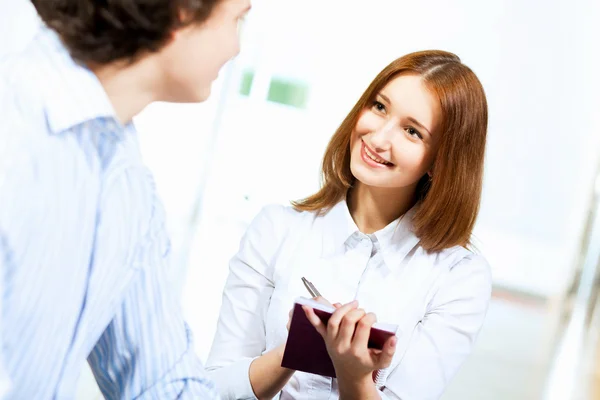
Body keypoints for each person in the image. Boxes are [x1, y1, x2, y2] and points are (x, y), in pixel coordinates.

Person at [206, 50, 492, 400]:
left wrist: (355, 377)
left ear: (441, 161)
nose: (378, 137)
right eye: (380, 107)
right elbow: (214, 389)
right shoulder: (276, 229)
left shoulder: (460, 277)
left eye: (412, 131)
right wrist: (296, 350)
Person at [0, 0, 251, 398]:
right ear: (184, 9)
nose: (236, 47)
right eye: (238, 18)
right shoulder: (13, 136)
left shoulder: (125, 179)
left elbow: (163, 379)